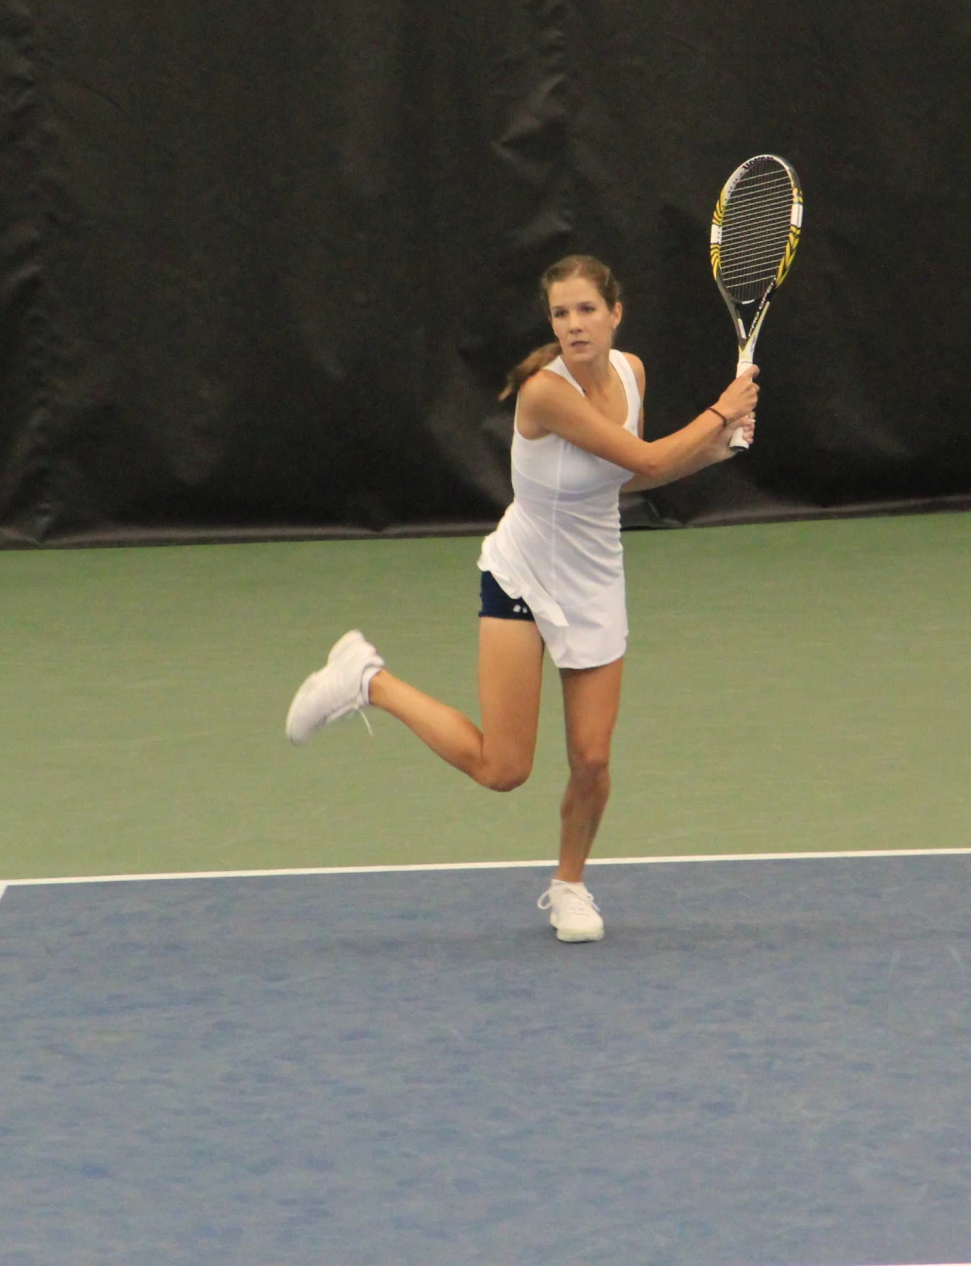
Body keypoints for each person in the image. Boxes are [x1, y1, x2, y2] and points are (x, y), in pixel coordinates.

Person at [283, 254, 760, 942]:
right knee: (504, 768)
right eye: (561, 313)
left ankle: (569, 885)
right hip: (522, 574)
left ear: (615, 313)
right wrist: (723, 409)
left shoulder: (632, 373)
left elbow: (621, 478)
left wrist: (715, 450)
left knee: (593, 760)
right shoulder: (544, 393)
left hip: (595, 577)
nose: (574, 324)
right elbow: (650, 459)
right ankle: (366, 679)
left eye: (587, 309)